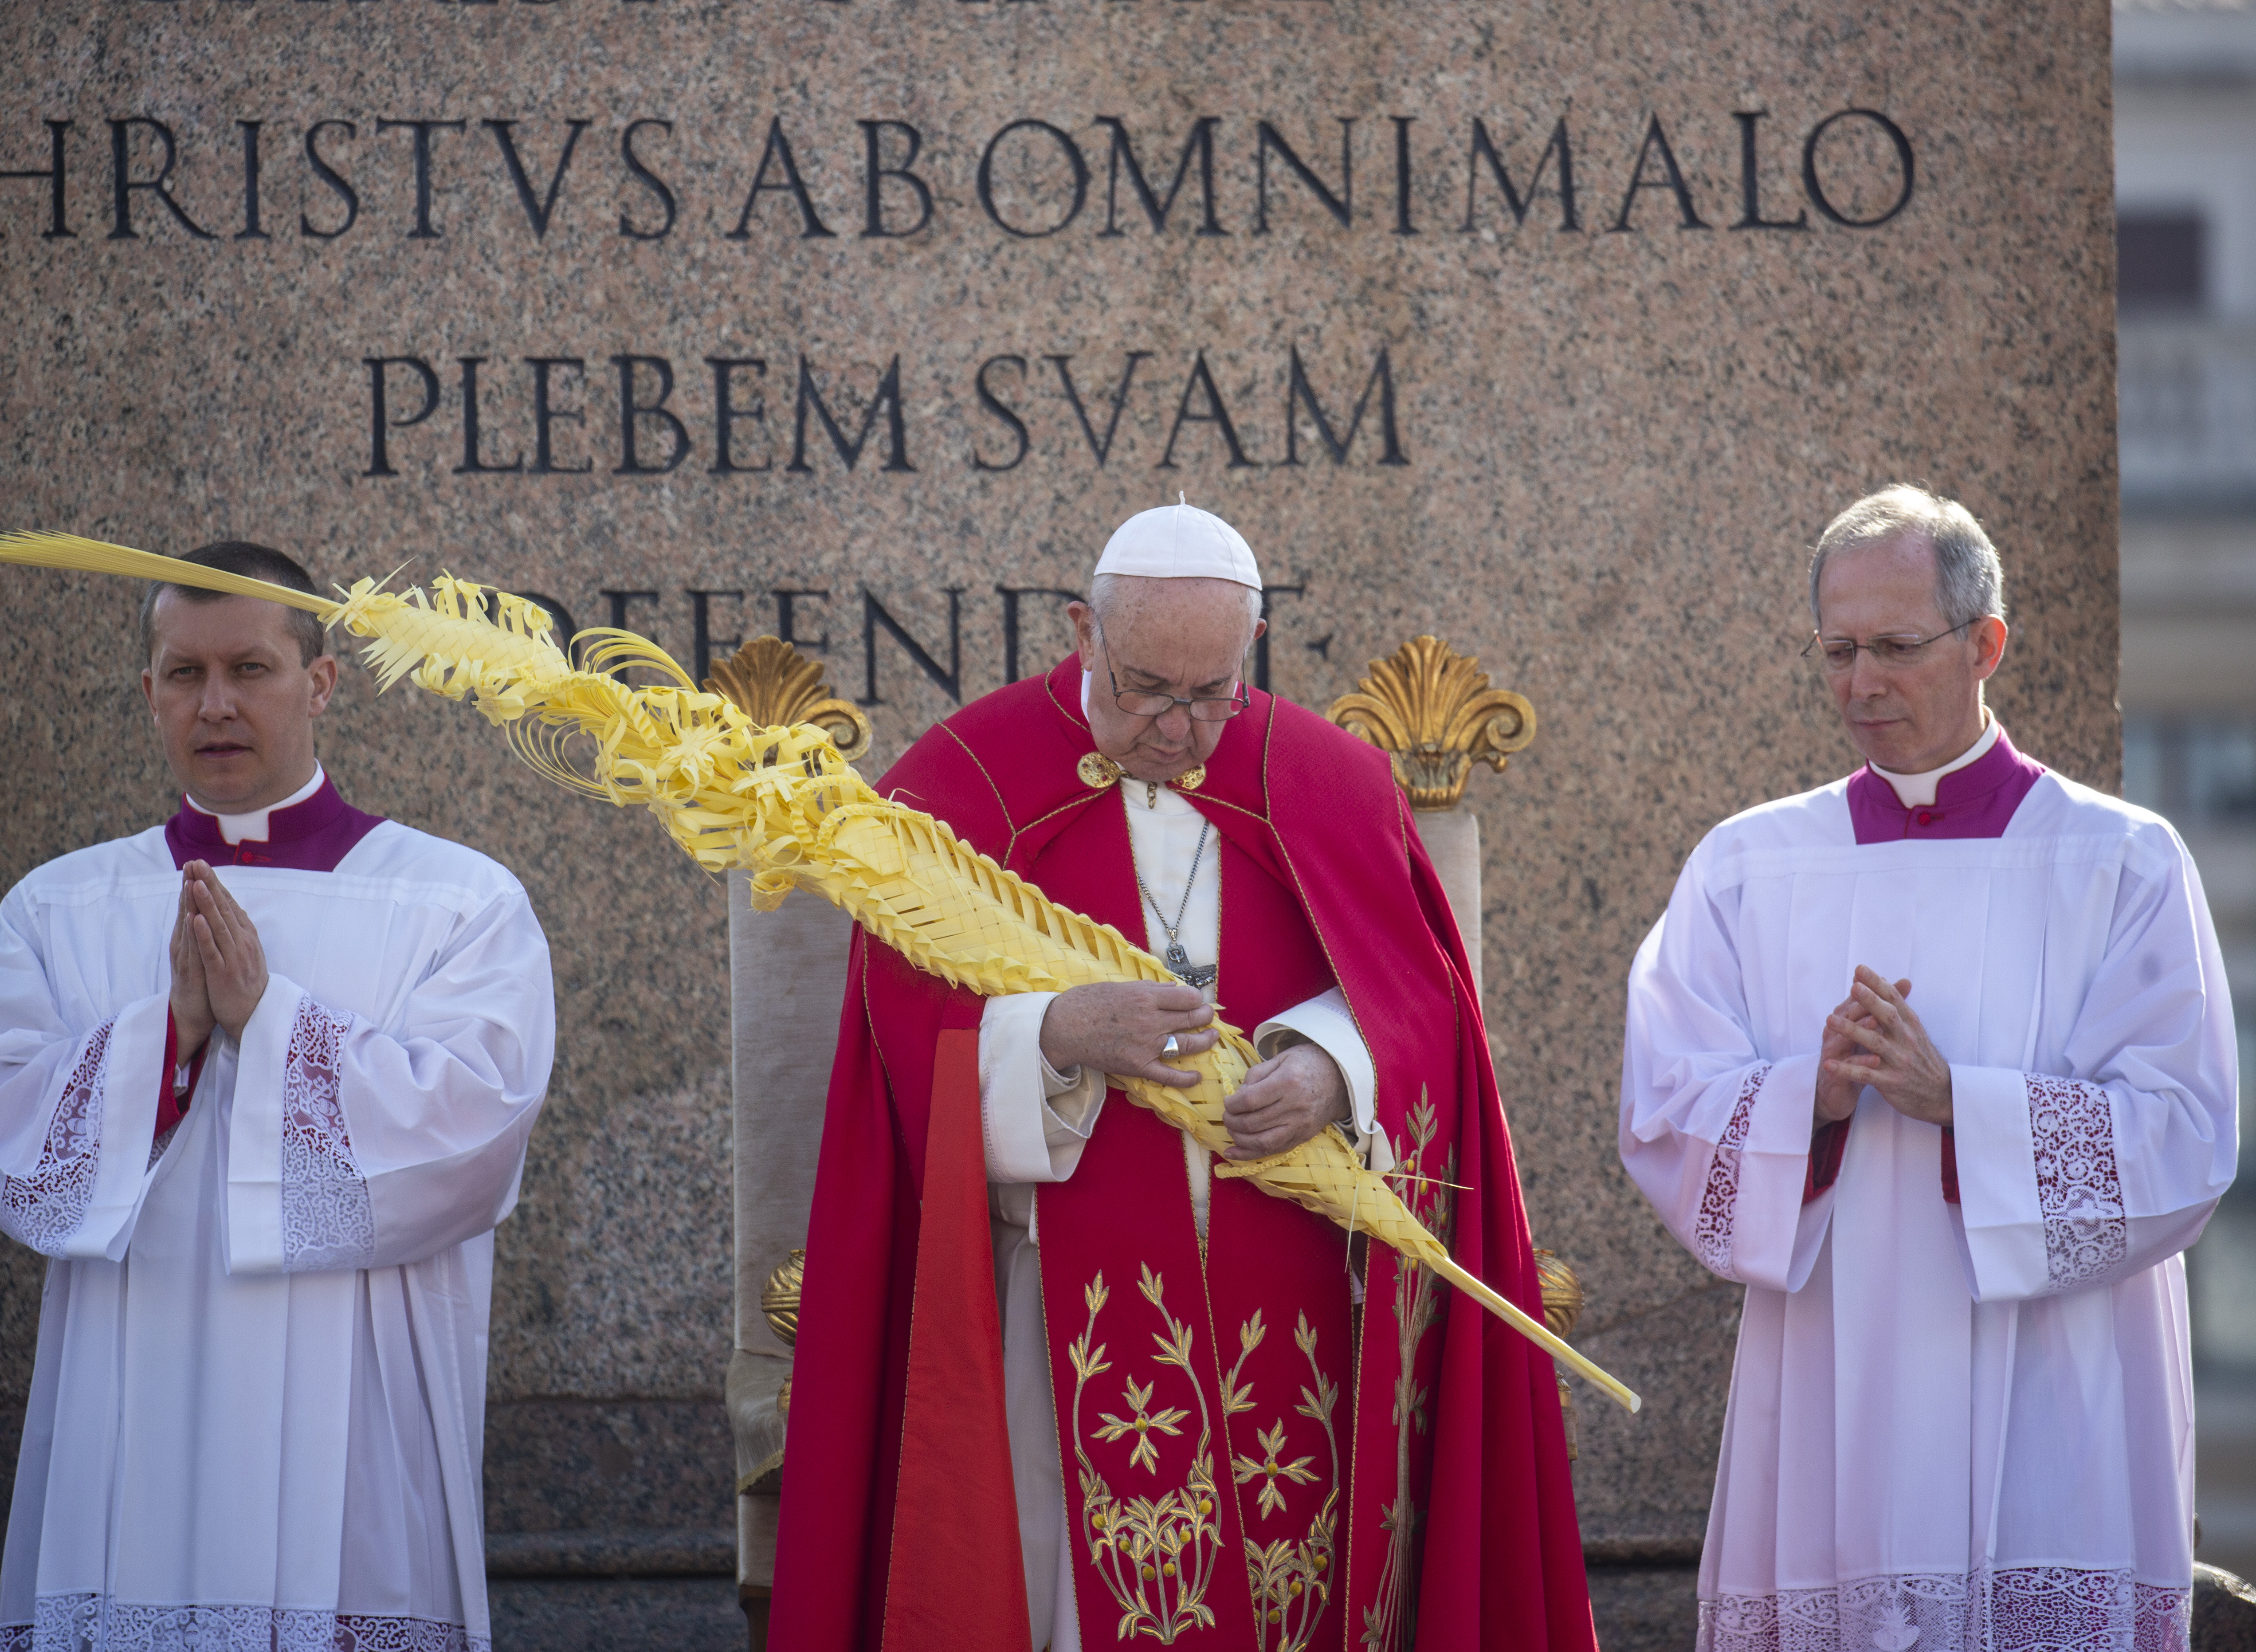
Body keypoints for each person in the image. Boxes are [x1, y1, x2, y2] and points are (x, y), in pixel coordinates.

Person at [774, 501, 1595, 1652]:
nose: (1177, 727)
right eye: (1146, 686)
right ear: (1080, 632)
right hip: (1055, 1292)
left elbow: (1422, 1012)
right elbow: (895, 1055)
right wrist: (1057, 1031)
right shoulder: (961, 780)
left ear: (1249, 652)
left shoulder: (1326, 780)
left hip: (1294, 1279)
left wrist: (1330, 1067)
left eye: (1212, 692)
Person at [1620, 485, 2238, 1651]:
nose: (1861, 682)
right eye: (1837, 650)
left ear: (1985, 643)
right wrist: (1810, 1091)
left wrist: (1964, 1105)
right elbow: (1663, 1104)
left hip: (2051, 1396)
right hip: (1827, 1386)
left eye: (1895, 648)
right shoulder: (1749, 865)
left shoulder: (2119, 861)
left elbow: (2184, 1135)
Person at [0, 541, 556, 1652]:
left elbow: (474, 1130)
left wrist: (276, 1025)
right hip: (132, 1409)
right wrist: (167, 1036)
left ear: (320, 683)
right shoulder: (62, 907)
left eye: (251, 669)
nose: (216, 705)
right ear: (149, 693)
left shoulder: (456, 902)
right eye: (184, 674)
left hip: (351, 1422)